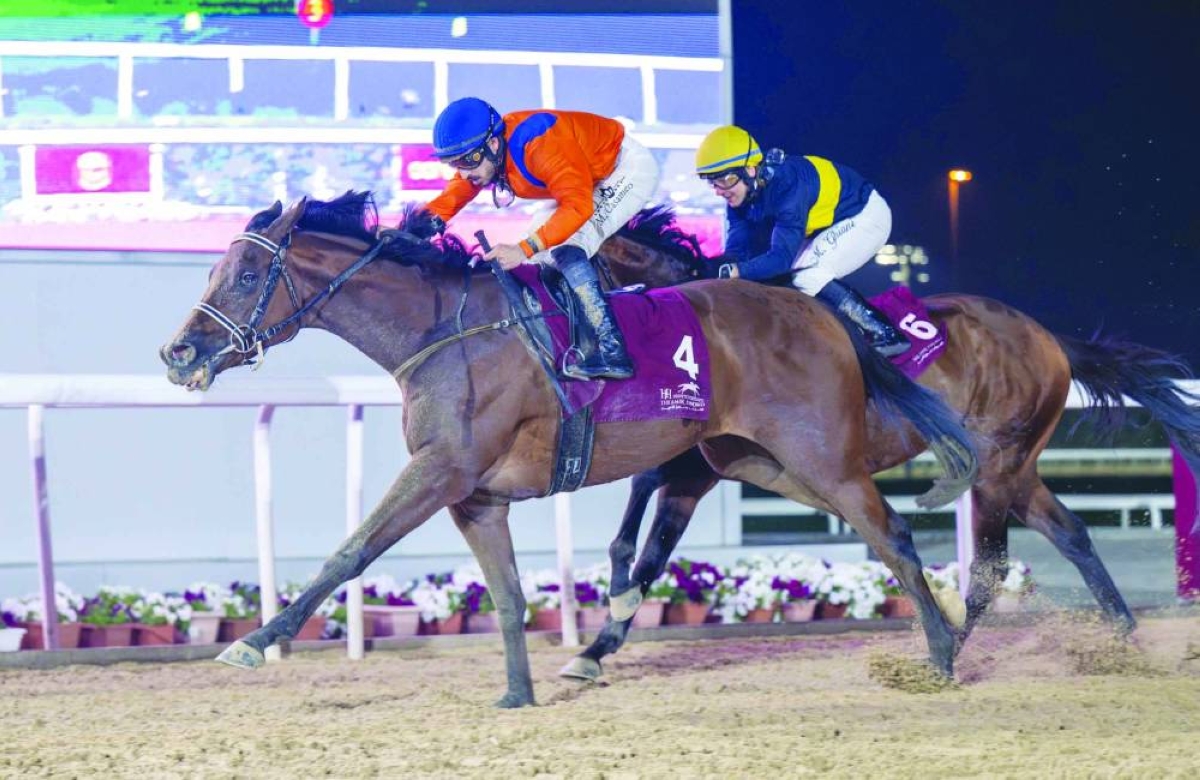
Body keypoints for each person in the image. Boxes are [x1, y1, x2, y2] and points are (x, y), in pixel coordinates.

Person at [423, 97, 661, 380]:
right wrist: (414, 227)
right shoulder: (490, 153)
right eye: (454, 164)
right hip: (586, 176)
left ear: (494, 145)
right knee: (538, 255)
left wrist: (523, 249)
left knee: (567, 246)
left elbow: (578, 207)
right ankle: (564, 337)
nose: (463, 172)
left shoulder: (539, 145)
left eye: (468, 160)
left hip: (623, 168)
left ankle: (611, 349)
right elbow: (456, 194)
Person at [694, 124, 910, 357]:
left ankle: (886, 333)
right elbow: (737, 252)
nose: (718, 190)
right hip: (827, 224)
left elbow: (780, 261)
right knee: (780, 281)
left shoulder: (788, 188)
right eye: (712, 182)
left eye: (725, 179)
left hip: (865, 216)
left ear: (751, 169)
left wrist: (735, 272)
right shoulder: (741, 195)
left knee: (805, 276)